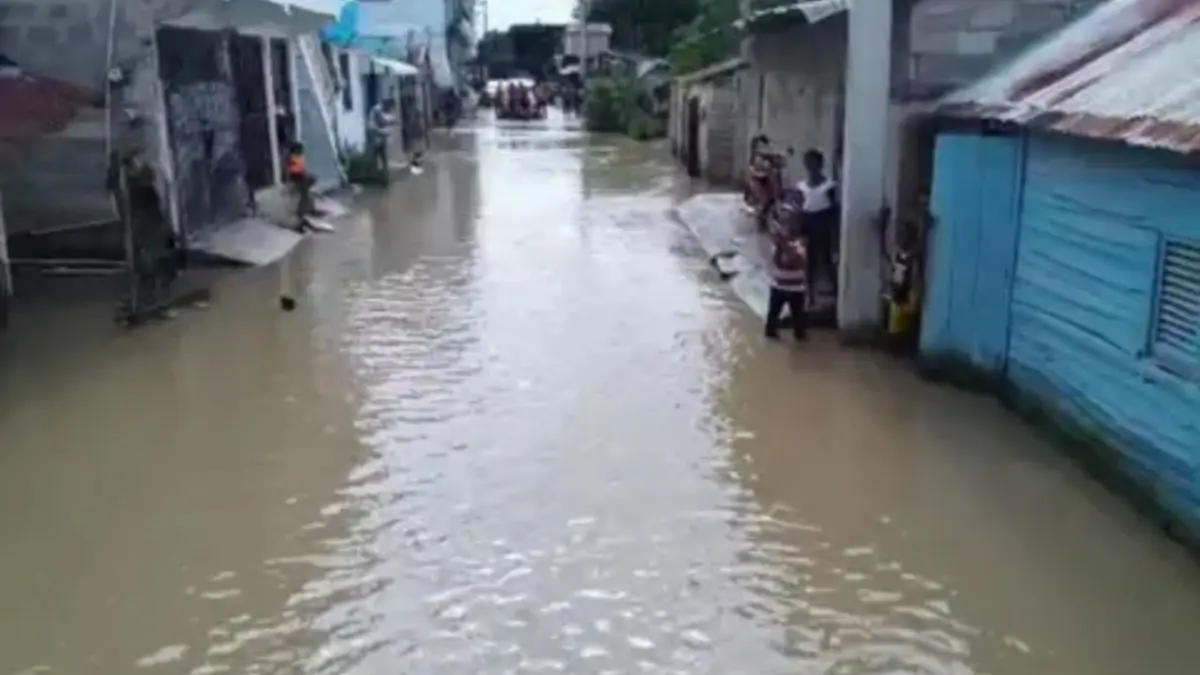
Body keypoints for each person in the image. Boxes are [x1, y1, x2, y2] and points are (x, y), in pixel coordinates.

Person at [796, 149, 839, 297]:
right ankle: (809, 293)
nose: (811, 168)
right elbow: (798, 208)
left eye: (814, 164)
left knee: (827, 260)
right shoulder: (801, 187)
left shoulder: (829, 186)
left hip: (824, 225)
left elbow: (834, 212)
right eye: (808, 164)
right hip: (807, 225)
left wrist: (835, 236)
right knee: (809, 261)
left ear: (820, 165)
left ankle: (836, 291)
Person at [762, 214, 809, 342]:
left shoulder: (801, 243)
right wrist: (780, 243)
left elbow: (795, 260)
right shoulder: (777, 245)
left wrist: (782, 241)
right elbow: (778, 262)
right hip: (778, 287)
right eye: (783, 224)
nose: (786, 228)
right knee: (770, 327)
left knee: (800, 329)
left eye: (787, 224)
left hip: (796, 289)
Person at [368, 98, 397, 176]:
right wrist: (391, 122)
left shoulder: (381, 110)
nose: (389, 109)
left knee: (383, 155)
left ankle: (383, 173)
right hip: (375, 135)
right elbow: (381, 122)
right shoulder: (377, 110)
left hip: (380, 136)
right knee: (375, 155)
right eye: (390, 107)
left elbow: (384, 121)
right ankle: (375, 173)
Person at [286, 142, 315, 219]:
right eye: (299, 150)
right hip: (296, 178)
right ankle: (302, 211)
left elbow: (303, 169)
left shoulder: (300, 157)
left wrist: (306, 175)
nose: (301, 151)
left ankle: (306, 210)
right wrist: (289, 182)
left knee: (305, 195)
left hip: (301, 177)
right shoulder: (292, 158)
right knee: (303, 196)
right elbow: (289, 171)